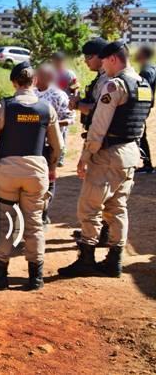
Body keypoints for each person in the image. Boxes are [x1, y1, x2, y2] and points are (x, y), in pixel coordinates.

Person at [58, 41, 153, 278]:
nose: (102, 66)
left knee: (90, 207)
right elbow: (139, 123)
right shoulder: (143, 85)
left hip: (108, 155)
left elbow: (99, 126)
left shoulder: (115, 85)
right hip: (130, 153)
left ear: (112, 59)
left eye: (103, 61)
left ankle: (87, 260)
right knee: (118, 208)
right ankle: (114, 261)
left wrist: (85, 156)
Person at [0, 62, 62, 290]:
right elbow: (57, 144)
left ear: (14, 82)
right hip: (36, 171)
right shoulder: (46, 108)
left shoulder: (4, 106)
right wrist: (51, 168)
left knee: (5, 221)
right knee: (34, 223)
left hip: (7, 171)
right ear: (34, 82)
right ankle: (36, 277)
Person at [69, 38, 110, 244]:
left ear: (101, 57)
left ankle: (93, 239)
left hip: (101, 142)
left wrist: (78, 105)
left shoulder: (106, 80)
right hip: (104, 141)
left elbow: (97, 109)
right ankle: (102, 234)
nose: (86, 61)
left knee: (94, 196)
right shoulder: (104, 78)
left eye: (89, 57)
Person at [34, 62, 73, 223]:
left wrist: (50, 124)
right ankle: (34, 211)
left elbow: (70, 119)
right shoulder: (32, 93)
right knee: (35, 178)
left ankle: (44, 211)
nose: (36, 77)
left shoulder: (59, 95)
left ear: (49, 77)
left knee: (49, 178)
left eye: (40, 75)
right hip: (34, 143)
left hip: (52, 145)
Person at [134, 45, 155, 174]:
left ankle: (147, 164)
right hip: (146, 105)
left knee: (140, 134)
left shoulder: (146, 71)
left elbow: (144, 91)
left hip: (142, 105)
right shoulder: (150, 68)